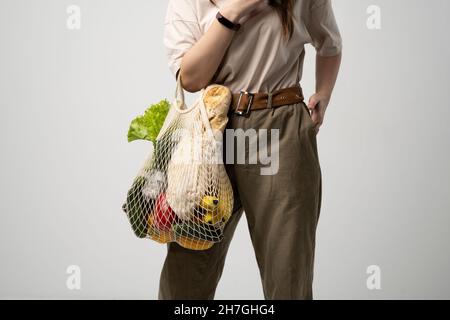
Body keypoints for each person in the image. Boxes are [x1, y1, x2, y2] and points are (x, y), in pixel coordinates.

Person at [160, 0, 342, 299]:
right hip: (212, 131)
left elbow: (330, 44)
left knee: (288, 270)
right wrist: (234, 11)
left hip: (280, 128)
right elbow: (191, 79)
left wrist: (323, 93)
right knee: (186, 272)